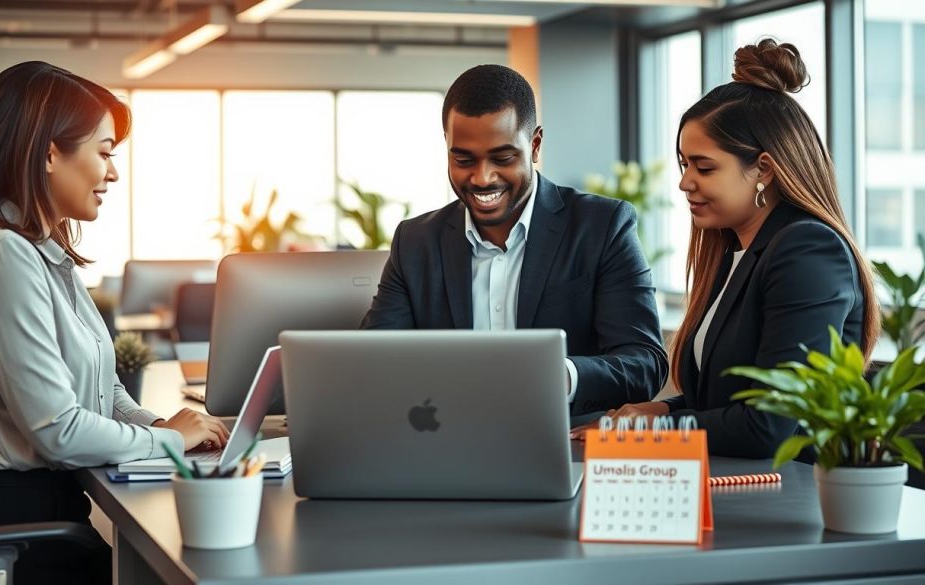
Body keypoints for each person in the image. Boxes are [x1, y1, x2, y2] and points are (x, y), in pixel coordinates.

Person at [0, 61, 230, 585]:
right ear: (47, 153)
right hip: (13, 535)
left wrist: (154, 426)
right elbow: (58, 430)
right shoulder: (0, 257)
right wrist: (169, 441)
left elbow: (102, 385)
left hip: (45, 520)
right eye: (104, 152)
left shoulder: (41, 253)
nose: (113, 173)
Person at [571, 39, 880, 458]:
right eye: (684, 164)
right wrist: (658, 408)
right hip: (738, 487)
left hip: (796, 498)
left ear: (763, 170)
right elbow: (724, 408)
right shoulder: (734, 252)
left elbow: (770, 425)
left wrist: (657, 425)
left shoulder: (807, 249)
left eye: (704, 167)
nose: (684, 182)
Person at [361, 64, 668, 416]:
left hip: (563, 446)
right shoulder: (415, 241)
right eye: (463, 159)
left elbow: (644, 364)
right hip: (441, 440)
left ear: (535, 145)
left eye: (502, 158)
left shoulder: (602, 227)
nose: (482, 177)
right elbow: (374, 361)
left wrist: (558, 375)